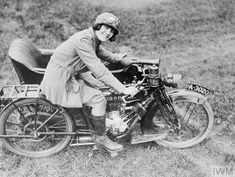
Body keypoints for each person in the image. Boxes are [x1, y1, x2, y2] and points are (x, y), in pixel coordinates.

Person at [40, 12, 138, 152]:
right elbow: (98, 69)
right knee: (99, 100)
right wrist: (123, 89)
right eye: (106, 27)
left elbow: (102, 53)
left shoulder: (91, 37)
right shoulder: (84, 40)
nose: (108, 33)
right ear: (98, 25)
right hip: (61, 79)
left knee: (101, 87)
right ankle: (101, 138)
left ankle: (99, 123)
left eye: (112, 31)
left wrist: (118, 59)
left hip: (69, 74)